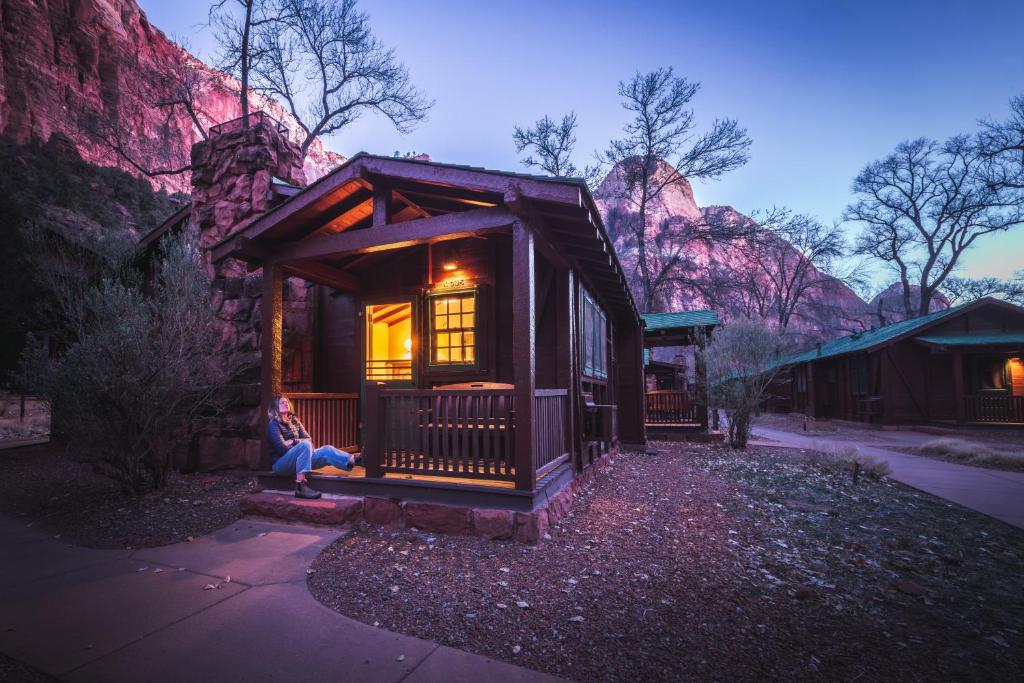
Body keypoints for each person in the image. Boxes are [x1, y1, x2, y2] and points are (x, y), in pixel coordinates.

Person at [266, 396, 361, 499]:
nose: (286, 404)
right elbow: (282, 448)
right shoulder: (273, 424)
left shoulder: (294, 420)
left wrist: (293, 441)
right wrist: (299, 447)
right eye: (282, 403)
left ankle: (355, 460)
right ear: (275, 407)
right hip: (281, 464)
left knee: (326, 450)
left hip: (298, 460)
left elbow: (309, 440)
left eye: (287, 402)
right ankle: (300, 486)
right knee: (304, 445)